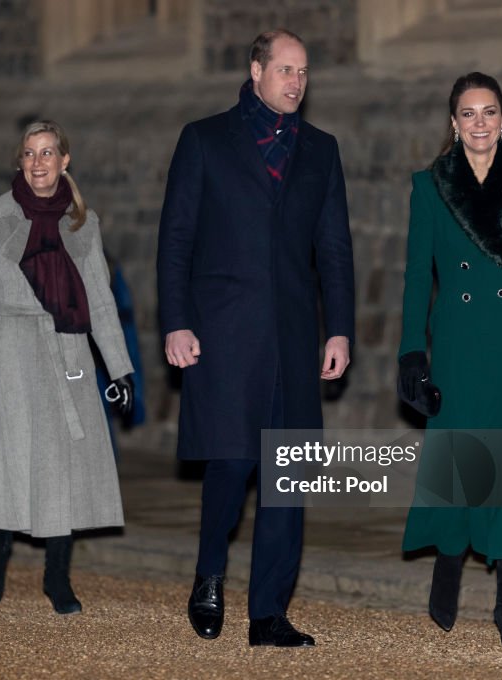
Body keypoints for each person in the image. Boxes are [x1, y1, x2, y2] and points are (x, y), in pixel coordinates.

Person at [157, 29, 355, 647]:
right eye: (286, 69)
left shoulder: (321, 150)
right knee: (232, 460)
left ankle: (269, 613)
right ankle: (209, 574)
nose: (296, 82)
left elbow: (335, 251)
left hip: (295, 337)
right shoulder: (205, 139)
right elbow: (176, 242)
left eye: (303, 72)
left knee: (289, 473)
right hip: (224, 332)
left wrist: (341, 330)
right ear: (256, 70)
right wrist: (176, 321)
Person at [397, 72, 502, 647]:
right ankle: (449, 564)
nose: (479, 123)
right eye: (468, 113)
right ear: (453, 123)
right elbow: (418, 274)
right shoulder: (429, 187)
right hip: (457, 344)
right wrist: (411, 353)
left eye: (489, 112)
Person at [0, 120, 134, 615]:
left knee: (61, 467)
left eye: (48, 153)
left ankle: (58, 578)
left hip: (67, 351)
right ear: (20, 162)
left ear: (64, 161)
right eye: (30, 154)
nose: (38, 163)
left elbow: (99, 299)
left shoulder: (83, 223)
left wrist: (120, 369)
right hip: (7, 351)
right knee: (10, 458)